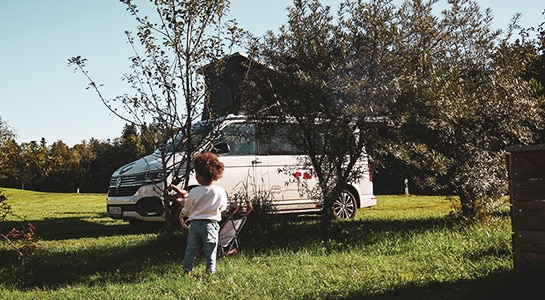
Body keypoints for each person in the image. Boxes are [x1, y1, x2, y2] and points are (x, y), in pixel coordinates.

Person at [176, 152, 228, 275]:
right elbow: (223, 207)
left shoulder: (194, 191)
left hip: (195, 225)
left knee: (191, 249)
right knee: (210, 250)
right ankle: (210, 271)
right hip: (211, 225)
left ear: (199, 175)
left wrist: (184, 211)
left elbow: (188, 208)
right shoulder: (219, 191)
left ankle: (187, 270)